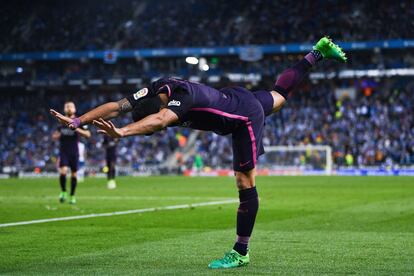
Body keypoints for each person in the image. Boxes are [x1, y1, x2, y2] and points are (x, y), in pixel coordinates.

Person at [50, 37, 346, 268]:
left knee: (245, 181)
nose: (162, 128)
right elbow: (118, 106)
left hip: (243, 119)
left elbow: (160, 120)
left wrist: (123, 132)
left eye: (158, 126)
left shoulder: (179, 100)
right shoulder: (156, 88)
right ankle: (316, 54)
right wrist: (78, 120)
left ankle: (240, 252)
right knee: (279, 96)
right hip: (237, 96)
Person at [52, 101, 91, 204]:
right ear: (64, 109)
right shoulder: (60, 122)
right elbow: (54, 136)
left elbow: (88, 134)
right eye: (67, 107)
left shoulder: (79, 121)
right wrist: (57, 135)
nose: (69, 108)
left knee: (74, 174)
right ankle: (64, 192)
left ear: (75, 109)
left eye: (71, 106)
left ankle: (72, 195)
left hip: (74, 152)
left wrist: (76, 128)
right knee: (63, 171)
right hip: (63, 151)